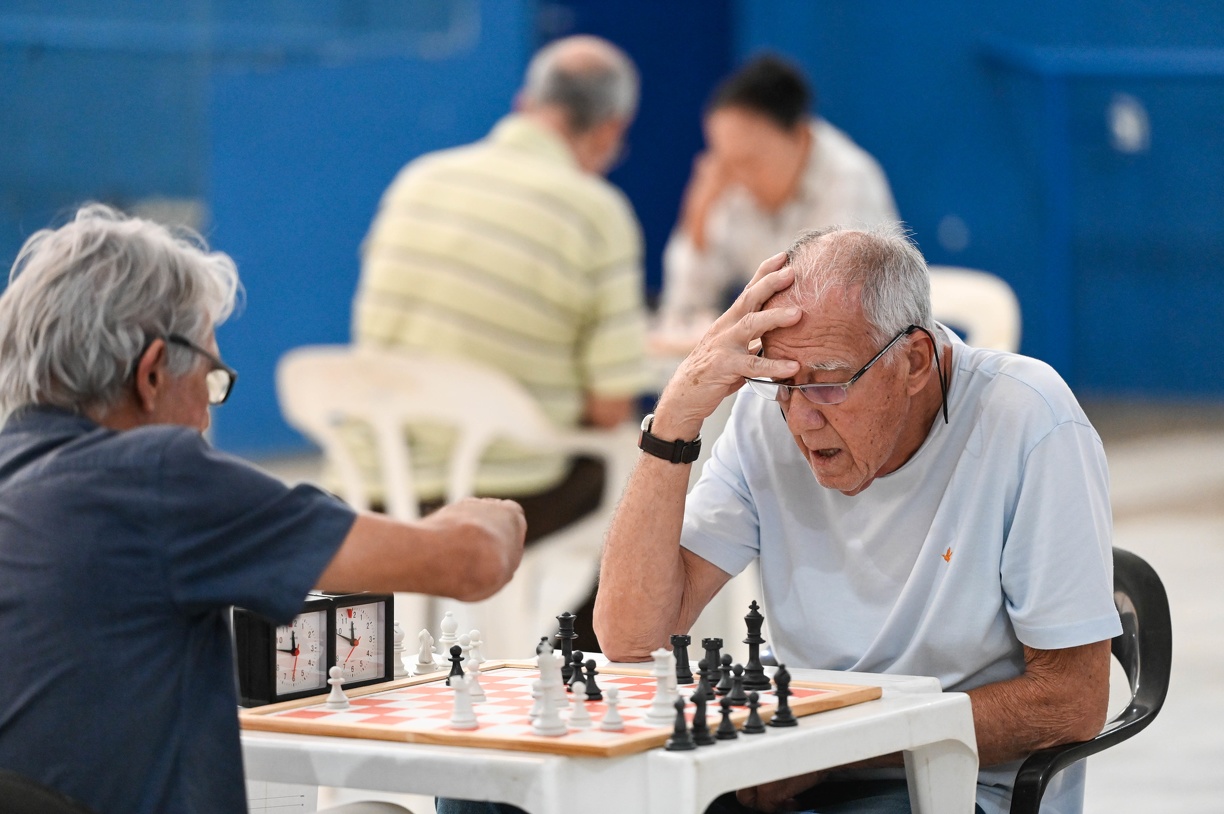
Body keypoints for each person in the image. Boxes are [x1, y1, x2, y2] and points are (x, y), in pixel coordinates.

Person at [0, 205, 527, 814]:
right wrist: (495, 514)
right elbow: (471, 564)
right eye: (210, 380)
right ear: (150, 374)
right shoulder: (158, 477)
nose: (205, 416)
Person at [595, 224, 1121, 814]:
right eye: (785, 386)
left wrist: (829, 751)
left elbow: (1071, 701)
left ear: (916, 360)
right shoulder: (763, 415)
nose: (800, 420)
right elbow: (631, 638)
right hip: (796, 759)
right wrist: (674, 418)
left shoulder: (1030, 419)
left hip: (950, 783)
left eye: (827, 383)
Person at [349, 35, 649, 648]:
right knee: (649, 476)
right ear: (610, 130)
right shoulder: (596, 212)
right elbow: (609, 407)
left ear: (524, 102)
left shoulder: (418, 180)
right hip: (507, 489)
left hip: (373, 475)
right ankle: (572, 663)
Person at [658, 54, 898, 330]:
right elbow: (685, 306)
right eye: (726, 162)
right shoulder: (732, 179)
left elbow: (834, 310)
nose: (738, 178)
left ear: (800, 135)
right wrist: (697, 214)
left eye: (750, 161)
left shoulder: (849, 179)